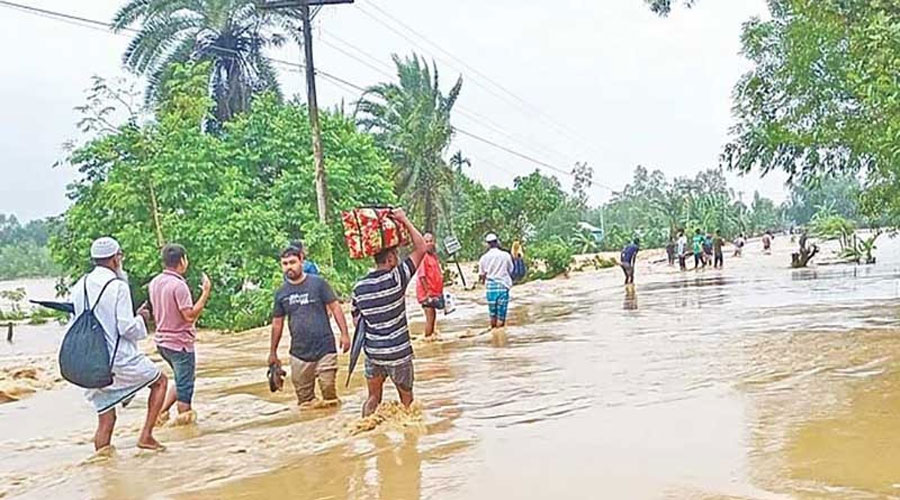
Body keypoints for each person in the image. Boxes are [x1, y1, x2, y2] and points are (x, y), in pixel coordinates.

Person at [71, 237, 168, 453]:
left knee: (106, 419)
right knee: (160, 381)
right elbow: (126, 328)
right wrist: (141, 318)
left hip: (91, 363)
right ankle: (147, 435)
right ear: (116, 259)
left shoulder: (80, 286)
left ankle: (103, 464)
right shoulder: (117, 287)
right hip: (118, 360)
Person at [351, 209, 427, 417]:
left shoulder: (359, 287)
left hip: (373, 353)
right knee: (407, 402)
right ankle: (411, 443)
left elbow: (357, 320)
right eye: (396, 255)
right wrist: (404, 219)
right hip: (398, 353)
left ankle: (368, 435)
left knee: (373, 399)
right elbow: (422, 247)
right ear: (391, 258)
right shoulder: (397, 279)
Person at [269, 242, 351, 406]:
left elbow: (335, 307)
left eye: (292, 262)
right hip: (299, 353)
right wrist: (273, 352)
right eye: (285, 264)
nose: (288, 267)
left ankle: (333, 427)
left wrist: (345, 334)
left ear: (301, 261)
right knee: (305, 403)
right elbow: (277, 324)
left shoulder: (318, 284)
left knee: (329, 391)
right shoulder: (281, 293)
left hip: (325, 348)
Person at [149, 244, 211, 426]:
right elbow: (189, 315)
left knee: (182, 378)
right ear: (182, 261)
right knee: (185, 390)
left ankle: (160, 413)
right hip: (180, 345)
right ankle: (184, 430)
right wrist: (205, 293)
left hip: (162, 343)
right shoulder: (179, 286)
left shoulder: (155, 282)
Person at [478, 233, 515, 329]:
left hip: (490, 288)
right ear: (497, 242)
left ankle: (494, 336)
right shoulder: (506, 255)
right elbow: (511, 270)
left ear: (488, 244)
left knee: (492, 316)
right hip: (503, 286)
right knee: (501, 317)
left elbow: (482, 275)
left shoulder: (484, 258)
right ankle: (499, 337)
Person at [416, 233, 444, 339]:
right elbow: (422, 276)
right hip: (427, 294)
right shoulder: (423, 257)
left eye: (431, 241)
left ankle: (431, 338)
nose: (429, 243)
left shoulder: (433, 257)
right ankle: (427, 339)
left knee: (433, 317)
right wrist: (428, 293)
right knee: (430, 318)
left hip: (433, 293)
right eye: (426, 241)